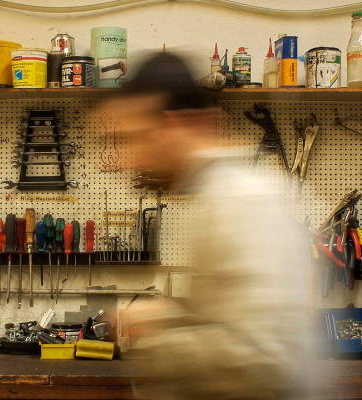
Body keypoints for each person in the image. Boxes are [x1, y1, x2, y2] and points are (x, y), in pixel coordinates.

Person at [106, 52, 324, 400]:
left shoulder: (239, 202)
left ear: (176, 125)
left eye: (141, 137)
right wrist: (170, 315)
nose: (134, 158)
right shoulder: (218, 195)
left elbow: (264, 357)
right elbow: (229, 319)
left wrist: (159, 337)